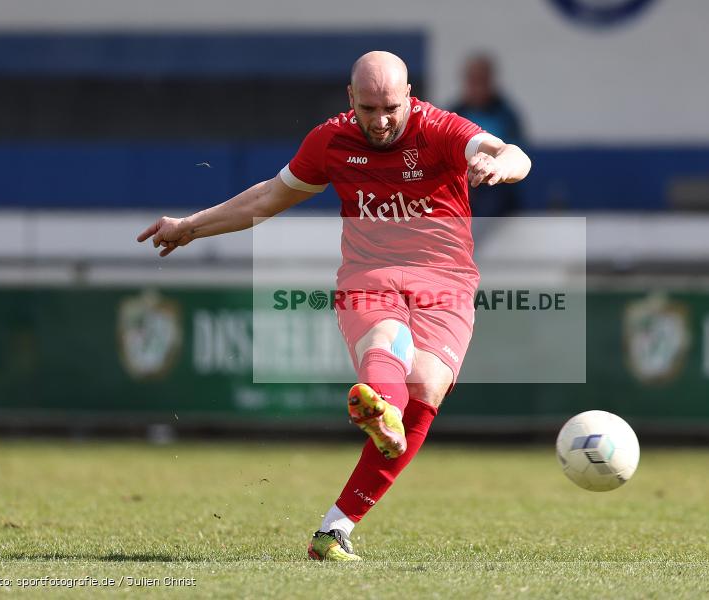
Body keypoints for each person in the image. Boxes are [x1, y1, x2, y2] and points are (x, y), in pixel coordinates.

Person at [137, 50, 531, 561]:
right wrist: (190, 226)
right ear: (351, 99)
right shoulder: (331, 140)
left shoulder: (440, 129)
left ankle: (334, 529)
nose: (382, 120)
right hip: (369, 277)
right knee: (384, 339)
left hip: (446, 283)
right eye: (369, 109)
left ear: (409, 96)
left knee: (426, 393)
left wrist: (497, 164)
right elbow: (263, 200)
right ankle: (379, 404)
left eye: (391, 107)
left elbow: (515, 153)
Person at [450, 53, 525, 220]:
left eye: (481, 81)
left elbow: (517, 152)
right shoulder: (454, 114)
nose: (477, 87)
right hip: (463, 183)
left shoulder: (506, 115)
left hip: (497, 186)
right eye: (472, 81)